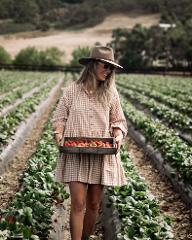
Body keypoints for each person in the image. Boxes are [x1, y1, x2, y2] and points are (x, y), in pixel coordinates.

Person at [52, 46, 128, 240]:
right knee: (78, 204)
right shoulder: (72, 91)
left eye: (111, 68)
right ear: (93, 65)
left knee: (94, 204)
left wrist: (118, 135)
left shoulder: (111, 93)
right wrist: (59, 134)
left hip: (100, 154)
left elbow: (118, 121)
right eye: (106, 66)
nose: (109, 70)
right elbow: (60, 118)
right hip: (75, 152)